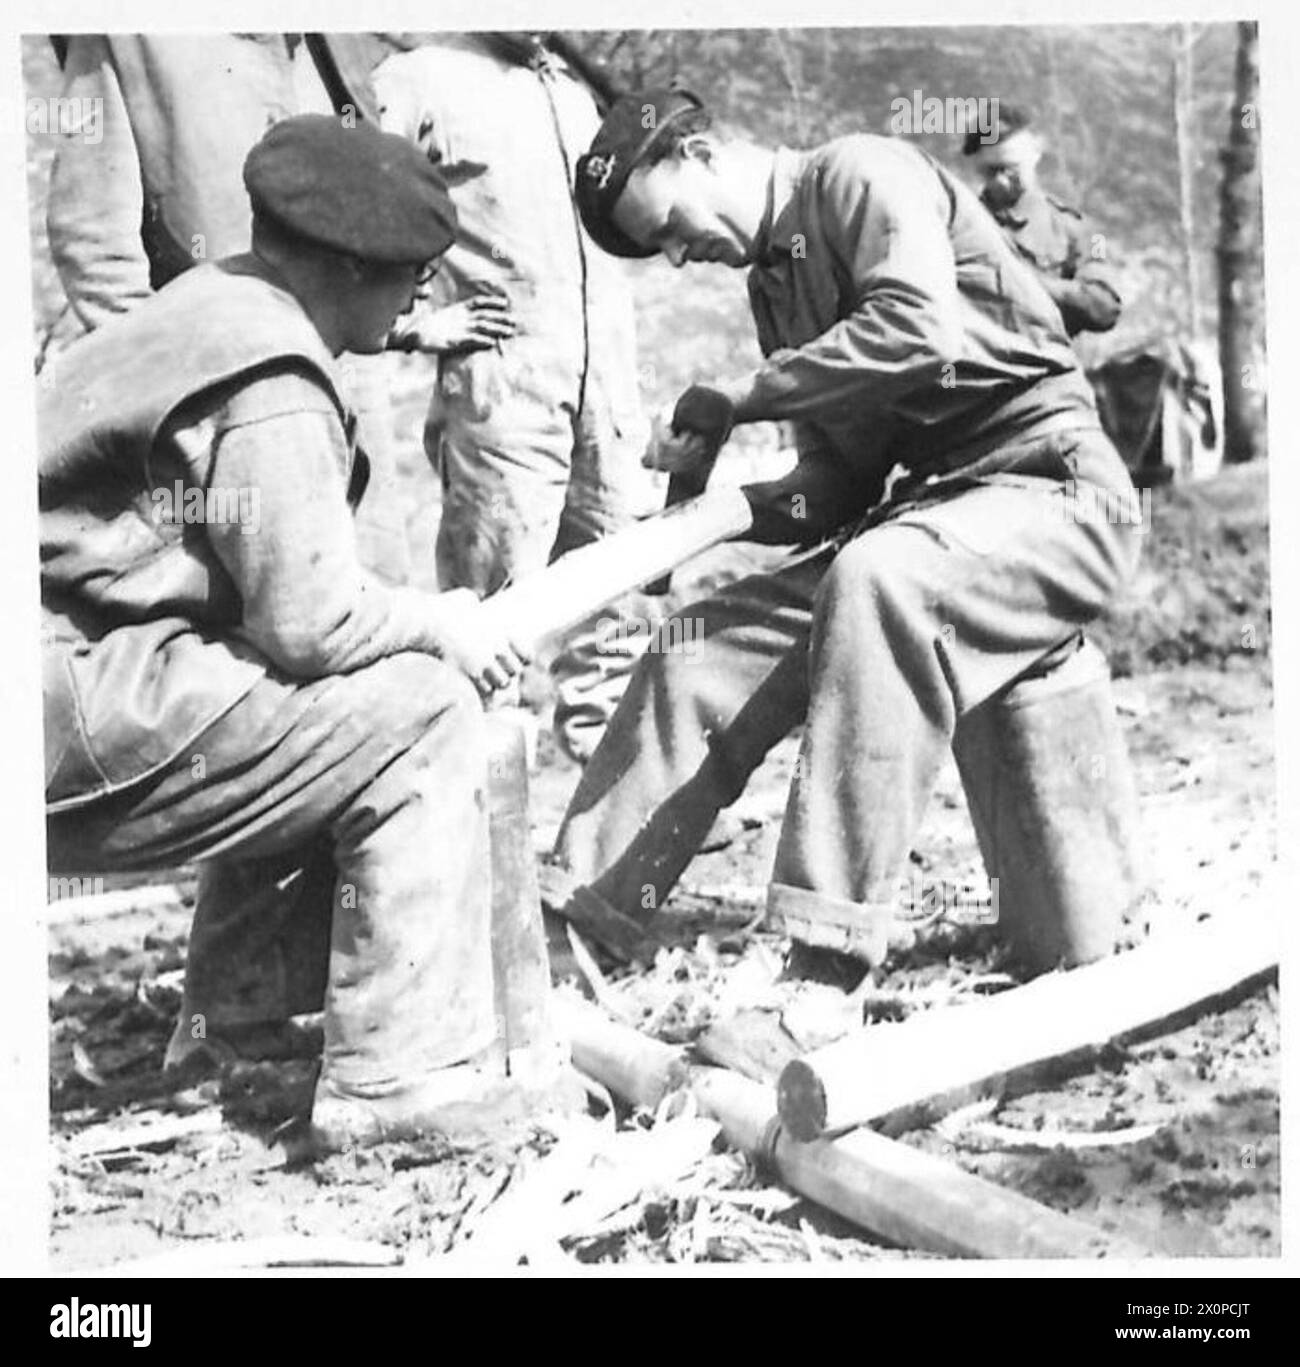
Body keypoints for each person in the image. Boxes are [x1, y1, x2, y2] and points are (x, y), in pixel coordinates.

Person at [41, 114, 553, 1150]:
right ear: (349, 267)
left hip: (70, 677)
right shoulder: (271, 379)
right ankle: (400, 1083)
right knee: (414, 711)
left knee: (302, 717)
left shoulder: (210, 300)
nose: (420, 297)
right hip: (66, 705)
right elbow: (311, 623)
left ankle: (239, 1031)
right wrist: (442, 622)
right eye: (410, 274)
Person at [546, 88, 1142, 965]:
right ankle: (575, 924)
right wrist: (724, 503)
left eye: (668, 224)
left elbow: (918, 332)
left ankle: (820, 961)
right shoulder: (775, 289)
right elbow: (838, 487)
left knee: (876, 580)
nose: (677, 255)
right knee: (695, 647)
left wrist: (743, 397)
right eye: (659, 250)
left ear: (701, 155)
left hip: (1054, 489)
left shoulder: (858, 174)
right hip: (931, 513)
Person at [43, 32, 488, 587]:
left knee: (368, 586)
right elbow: (94, 246)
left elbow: (367, 229)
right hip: (218, 407)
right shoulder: (126, 37)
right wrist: (178, 405)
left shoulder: (325, 39)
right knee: (257, 614)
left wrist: (404, 327)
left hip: (347, 385)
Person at [372, 33, 658, 762]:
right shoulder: (417, 78)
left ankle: (611, 837)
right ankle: (474, 833)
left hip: (610, 394)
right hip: (506, 394)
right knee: (491, 622)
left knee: (620, 601)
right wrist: (409, 327)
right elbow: (352, 213)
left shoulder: (568, 84)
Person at [962, 104, 1122, 338]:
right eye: (990, 172)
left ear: (1034, 157)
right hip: (977, 363)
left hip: (1047, 364)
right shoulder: (961, 226)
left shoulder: (1081, 231)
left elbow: (1104, 308)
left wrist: (1022, 282)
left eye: (1010, 169)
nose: (1000, 181)